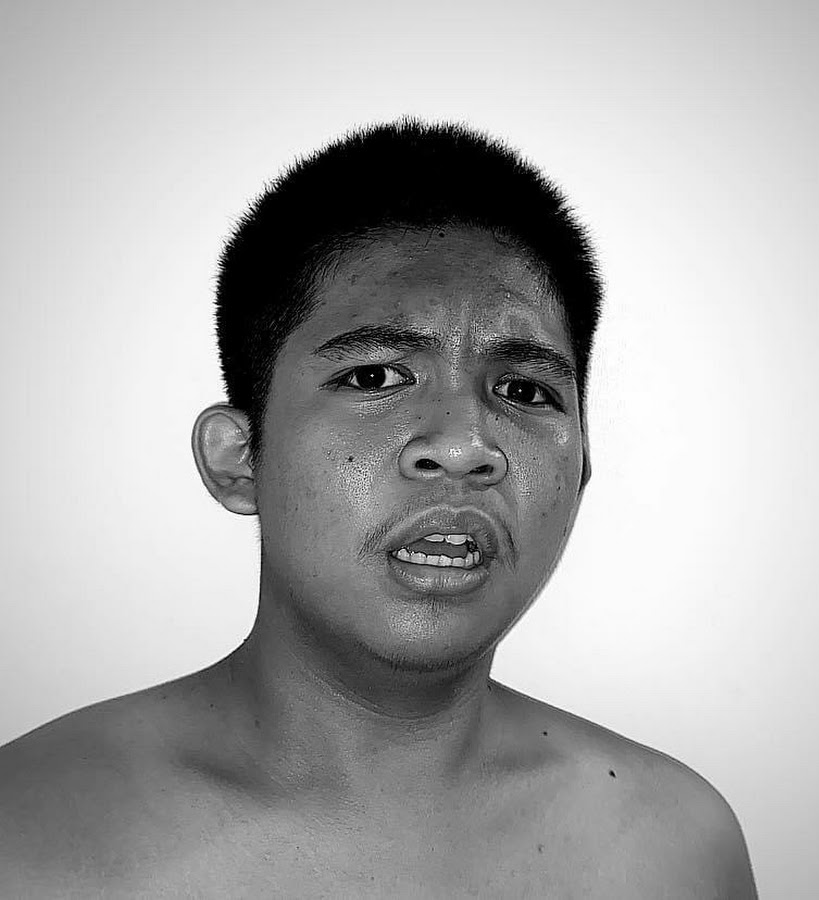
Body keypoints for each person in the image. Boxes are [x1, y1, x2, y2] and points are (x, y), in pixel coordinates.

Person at [0, 119, 757, 897]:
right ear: (239, 459)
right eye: (374, 378)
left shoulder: (669, 850)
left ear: (582, 467)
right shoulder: (27, 839)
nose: (464, 446)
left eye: (524, 391)